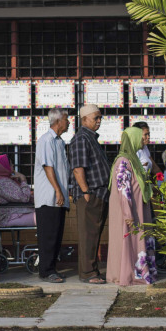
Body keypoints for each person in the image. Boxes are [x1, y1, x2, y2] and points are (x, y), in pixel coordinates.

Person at [106, 127, 157, 286]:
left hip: (137, 209)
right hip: (129, 212)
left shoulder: (132, 159)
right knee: (129, 242)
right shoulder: (123, 162)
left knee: (136, 242)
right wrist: (128, 214)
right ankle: (129, 275)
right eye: (140, 137)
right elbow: (124, 190)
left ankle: (138, 273)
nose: (143, 140)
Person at [69, 104, 112, 285]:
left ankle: (92, 270)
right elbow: (78, 168)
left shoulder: (90, 138)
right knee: (89, 235)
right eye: (96, 118)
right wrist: (86, 191)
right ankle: (87, 273)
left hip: (98, 193)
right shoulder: (81, 138)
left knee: (94, 234)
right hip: (90, 194)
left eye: (100, 118)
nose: (99, 121)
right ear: (84, 119)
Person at [33, 109, 71, 283]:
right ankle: (46, 271)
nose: (69, 122)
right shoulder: (46, 140)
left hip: (59, 196)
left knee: (56, 234)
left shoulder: (60, 142)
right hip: (49, 197)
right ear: (58, 121)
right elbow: (48, 167)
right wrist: (57, 190)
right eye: (66, 119)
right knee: (48, 235)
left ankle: (52, 269)